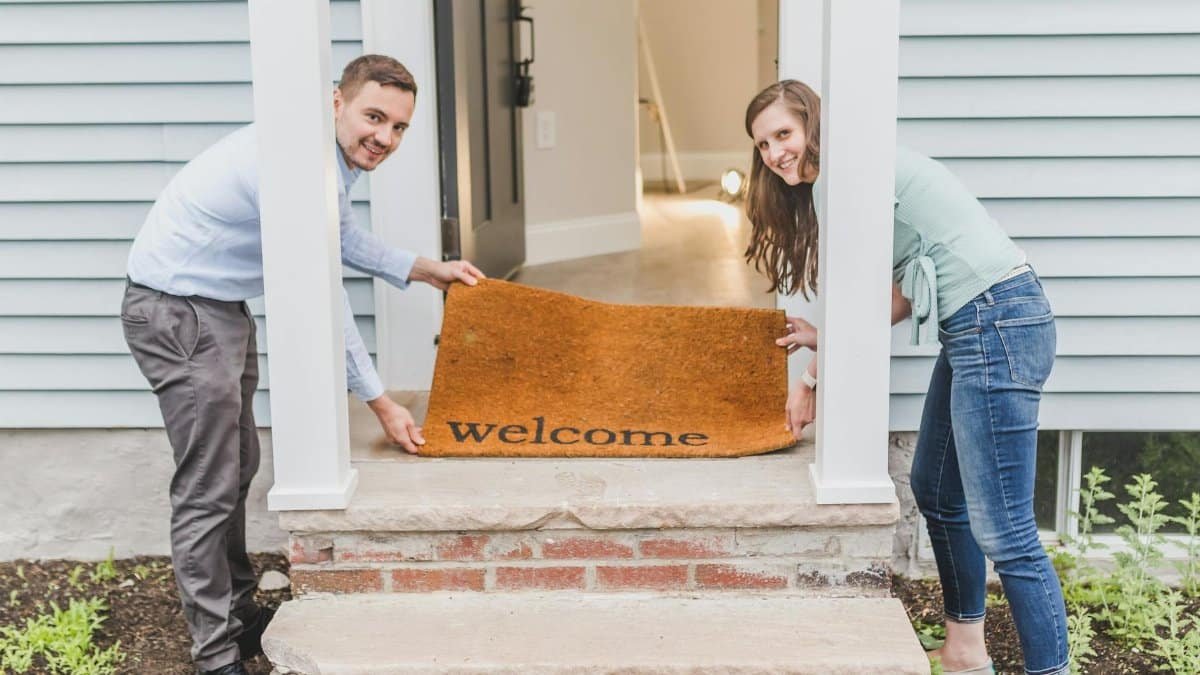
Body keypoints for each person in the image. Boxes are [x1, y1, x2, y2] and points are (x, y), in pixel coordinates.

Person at [121, 55, 484, 675]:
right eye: (375, 117)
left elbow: (340, 240)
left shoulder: (324, 162)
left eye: (399, 127)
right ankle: (216, 657)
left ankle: (235, 617)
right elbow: (324, 289)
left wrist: (429, 270)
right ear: (335, 101)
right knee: (208, 487)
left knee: (237, 467)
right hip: (178, 312)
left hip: (218, 309)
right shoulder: (292, 166)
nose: (385, 138)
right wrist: (381, 401)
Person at [745, 80, 1068, 675]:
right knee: (939, 490)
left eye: (784, 134)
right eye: (763, 144)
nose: (774, 154)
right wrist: (822, 343)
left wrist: (810, 382)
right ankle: (966, 652)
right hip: (981, 323)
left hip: (996, 320)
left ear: (812, 126)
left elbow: (877, 300)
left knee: (1006, 529)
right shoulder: (845, 177)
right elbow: (889, 295)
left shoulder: (848, 178)